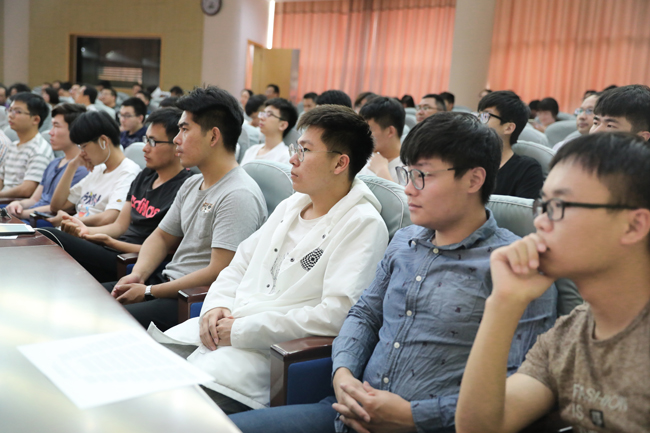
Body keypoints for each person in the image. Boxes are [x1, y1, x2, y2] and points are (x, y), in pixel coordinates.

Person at [229, 112, 556, 433]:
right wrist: (343, 374)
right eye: (406, 174)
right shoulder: (404, 241)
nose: (408, 189)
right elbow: (364, 315)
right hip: (347, 411)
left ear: (474, 179)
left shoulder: (515, 268)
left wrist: (413, 416)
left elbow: (513, 386)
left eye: (422, 176)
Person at [156, 104, 388, 414]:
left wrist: (243, 331)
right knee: (138, 369)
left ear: (340, 163)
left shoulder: (363, 224)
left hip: (264, 353)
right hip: (221, 330)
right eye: (296, 148)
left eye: (305, 151)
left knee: (165, 406)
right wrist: (216, 305)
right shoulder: (292, 205)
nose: (293, 159)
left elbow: (336, 314)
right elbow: (240, 263)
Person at [455, 132, 650, 433]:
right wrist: (504, 302)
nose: (539, 221)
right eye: (542, 205)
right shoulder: (570, 332)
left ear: (633, 225)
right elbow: (480, 427)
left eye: (557, 206)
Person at [105, 86, 267, 332]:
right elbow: (161, 237)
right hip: (164, 284)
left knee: (103, 320)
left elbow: (218, 271)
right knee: (86, 300)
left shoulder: (238, 194)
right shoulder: (192, 183)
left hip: (192, 301)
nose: (176, 139)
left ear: (213, 137)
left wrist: (148, 291)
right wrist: (138, 274)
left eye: (184, 129)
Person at [39, 108, 192, 283]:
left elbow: (165, 248)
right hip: (113, 248)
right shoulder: (144, 176)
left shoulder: (184, 187)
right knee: (46, 241)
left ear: (176, 145)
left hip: (130, 260)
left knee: (48, 235)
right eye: (146, 140)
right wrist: (85, 232)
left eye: (153, 142)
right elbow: (119, 226)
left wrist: (109, 242)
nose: (145, 148)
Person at [44, 111, 141, 227]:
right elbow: (57, 206)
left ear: (103, 141)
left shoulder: (128, 172)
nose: (82, 153)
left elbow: (110, 218)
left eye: (84, 146)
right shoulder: (98, 169)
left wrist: (70, 220)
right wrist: (72, 166)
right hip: (73, 230)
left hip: (88, 234)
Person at [5, 104, 88, 219]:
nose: (50, 132)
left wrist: (22, 214)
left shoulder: (82, 169)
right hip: (30, 217)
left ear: (75, 130)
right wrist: (19, 204)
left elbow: (58, 208)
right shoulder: (54, 163)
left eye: (56, 126)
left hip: (42, 222)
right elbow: (35, 199)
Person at [478, 90, 544, 199]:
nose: (477, 122)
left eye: (485, 116)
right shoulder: (467, 161)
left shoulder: (527, 170)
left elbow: (523, 210)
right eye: (478, 116)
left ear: (508, 128)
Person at [0, 93, 53, 198]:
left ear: (36, 119)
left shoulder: (39, 149)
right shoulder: (13, 146)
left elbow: (27, 190)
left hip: (17, 205)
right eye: (10, 110)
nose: (10, 115)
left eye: (18, 112)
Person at [359, 96, 404, 183]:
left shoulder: (410, 168)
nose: (362, 136)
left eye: (369, 130)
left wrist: (382, 171)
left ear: (390, 131)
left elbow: (400, 193)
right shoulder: (364, 160)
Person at [240, 98, 297, 165]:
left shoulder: (286, 157)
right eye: (263, 113)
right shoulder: (252, 150)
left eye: (269, 114)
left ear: (282, 125)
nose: (261, 117)